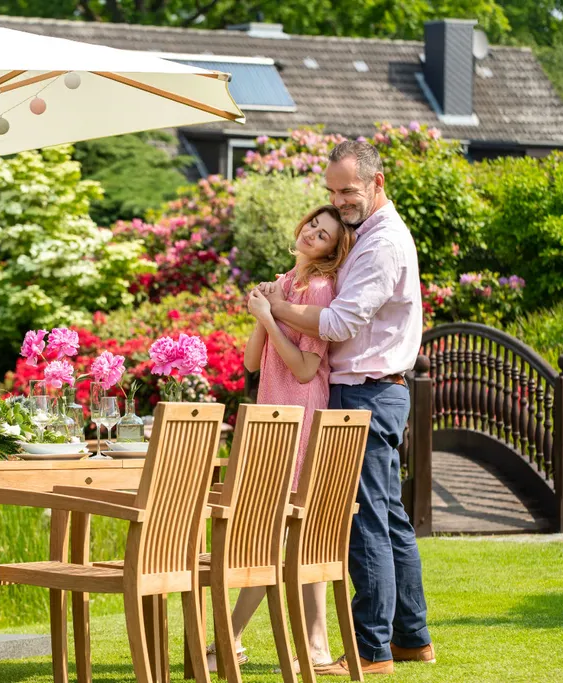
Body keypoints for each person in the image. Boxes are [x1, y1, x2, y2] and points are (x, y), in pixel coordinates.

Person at [260, 140, 434, 676]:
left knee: (363, 524)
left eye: (349, 191)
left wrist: (276, 307)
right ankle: (411, 638)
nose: (339, 201)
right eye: (332, 190)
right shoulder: (366, 236)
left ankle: (371, 650)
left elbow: (337, 324)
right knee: (391, 519)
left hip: (366, 394)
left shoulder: (382, 244)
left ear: (378, 182)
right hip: (372, 391)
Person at [207, 204, 356, 674]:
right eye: (313, 223)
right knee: (287, 536)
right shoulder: (283, 284)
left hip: (301, 415)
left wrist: (271, 317)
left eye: (326, 234)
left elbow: (308, 368)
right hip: (273, 413)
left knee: (272, 534)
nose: (315, 232)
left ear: (334, 250)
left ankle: (224, 641)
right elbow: (252, 363)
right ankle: (310, 647)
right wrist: (260, 315)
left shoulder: (319, 288)